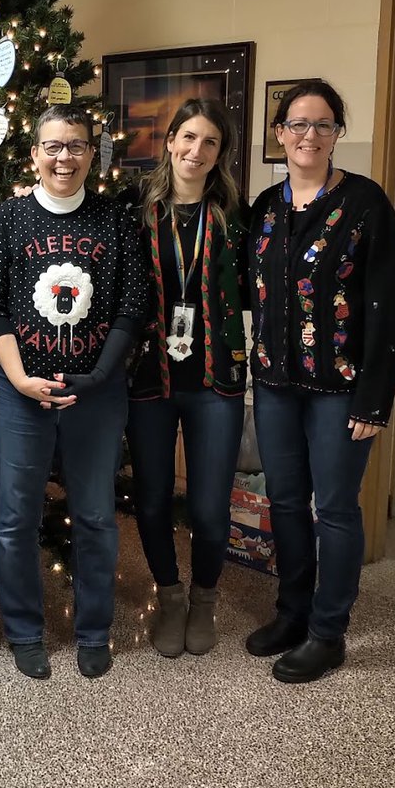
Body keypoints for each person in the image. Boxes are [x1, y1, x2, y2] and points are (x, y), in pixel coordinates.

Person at [0, 104, 148, 680]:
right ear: (34, 155)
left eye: (75, 146)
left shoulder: (115, 221)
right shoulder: (12, 219)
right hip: (19, 391)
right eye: (52, 146)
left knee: (96, 515)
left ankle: (93, 630)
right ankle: (25, 631)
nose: (63, 157)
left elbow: (132, 303)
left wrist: (99, 373)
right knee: (16, 515)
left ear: (90, 154)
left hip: (95, 394)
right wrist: (21, 376)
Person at [245, 80, 395, 683]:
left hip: (343, 390)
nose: (308, 135)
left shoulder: (366, 205)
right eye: (297, 124)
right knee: (284, 502)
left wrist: (376, 398)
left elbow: (388, 308)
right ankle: (292, 612)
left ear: (338, 132)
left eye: (322, 124)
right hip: (276, 385)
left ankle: (327, 631)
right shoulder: (265, 208)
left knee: (334, 509)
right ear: (279, 135)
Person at [122, 99, 248, 659]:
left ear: (221, 153)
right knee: (150, 500)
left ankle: (203, 599)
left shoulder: (235, 218)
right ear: (169, 141)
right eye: (188, 138)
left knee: (207, 506)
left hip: (215, 380)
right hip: (151, 378)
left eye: (211, 142)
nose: (197, 151)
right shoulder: (135, 212)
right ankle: (169, 595)